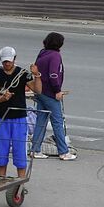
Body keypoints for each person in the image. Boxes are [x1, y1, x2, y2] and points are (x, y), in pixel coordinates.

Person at [0, 46, 42, 178]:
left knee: (19, 151)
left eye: (9, 61)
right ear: (1, 61)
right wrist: (3, 97)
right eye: (5, 61)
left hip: (19, 118)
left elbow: (38, 90)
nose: (7, 64)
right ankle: (2, 178)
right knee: (1, 151)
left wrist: (37, 75)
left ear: (14, 59)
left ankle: (20, 180)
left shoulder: (23, 73)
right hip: (2, 117)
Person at [30, 32, 76, 161]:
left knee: (41, 121)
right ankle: (63, 151)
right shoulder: (55, 56)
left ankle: (35, 149)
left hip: (40, 91)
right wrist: (57, 90)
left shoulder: (42, 54)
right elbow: (53, 75)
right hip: (50, 93)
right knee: (57, 122)